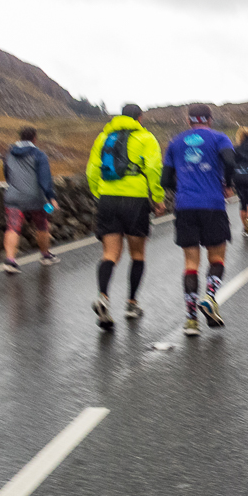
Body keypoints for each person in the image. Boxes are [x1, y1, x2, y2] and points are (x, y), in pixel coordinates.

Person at [86, 104, 165, 328]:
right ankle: (131, 304)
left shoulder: (103, 138)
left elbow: (92, 170)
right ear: (139, 117)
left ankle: (103, 296)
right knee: (137, 254)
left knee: (110, 253)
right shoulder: (146, 137)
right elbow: (153, 169)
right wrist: (158, 198)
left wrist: (99, 193)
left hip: (107, 198)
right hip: (135, 200)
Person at [163, 104, 236, 337]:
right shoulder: (219, 138)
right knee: (217, 258)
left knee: (190, 264)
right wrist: (227, 184)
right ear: (210, 119)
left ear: (189, 120)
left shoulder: (175, 142)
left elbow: (165, 179)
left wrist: (183, 188)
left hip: (185, 207)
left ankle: (191, 320)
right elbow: (231, 162)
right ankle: (210, 297)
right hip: (212, 204)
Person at [1, 126, 59, 273]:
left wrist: (14, 187)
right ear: (34, 138)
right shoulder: (39, 154)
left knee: (12, 227)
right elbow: (45, 178)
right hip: (36, 198)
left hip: (13, 197)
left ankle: (10, 260)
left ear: (20, 138)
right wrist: (51, 197)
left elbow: (7, 174)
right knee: (42, 225)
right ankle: (45, 255)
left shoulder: (9, 153)